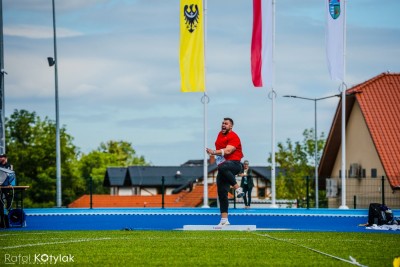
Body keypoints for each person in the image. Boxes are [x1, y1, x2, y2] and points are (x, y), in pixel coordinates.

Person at [206, 117, 244, 226]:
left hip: (235, 165)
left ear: (231, 126)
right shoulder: (219, 134)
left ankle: (238, 188)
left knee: (223, 166)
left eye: (226, 123)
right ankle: (224, 220)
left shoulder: (234, 136)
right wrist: (215, 153)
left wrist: (213, 152)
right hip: (223, 168)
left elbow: (228, 150)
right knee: (222, 193)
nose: (223, 125)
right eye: (222, 123)